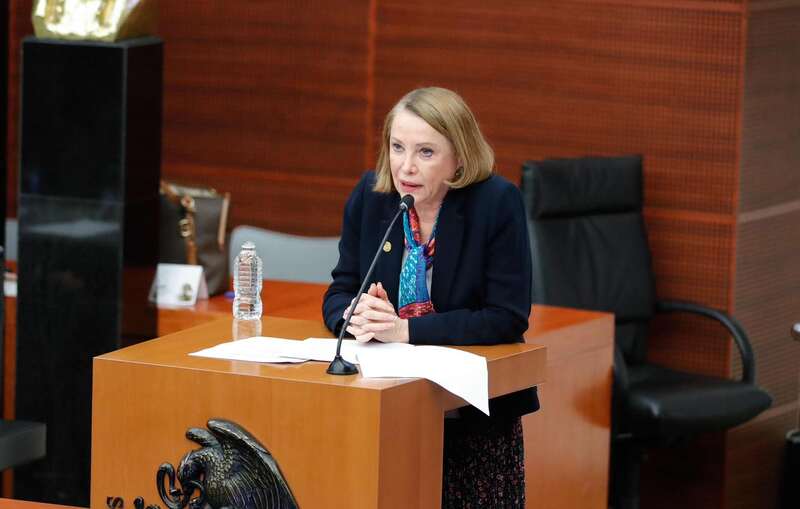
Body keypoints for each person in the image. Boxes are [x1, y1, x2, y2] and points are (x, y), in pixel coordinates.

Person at [322, 86, 537, 507]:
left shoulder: (496, 202)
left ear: (459, 156)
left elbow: (506, 316)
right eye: (397, 147)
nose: (406, 166)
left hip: (471, 421)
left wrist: (405, 330)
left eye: (425, 152)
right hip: (387, 411)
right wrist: (355, 315)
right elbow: (340, 289)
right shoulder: (372, 196)